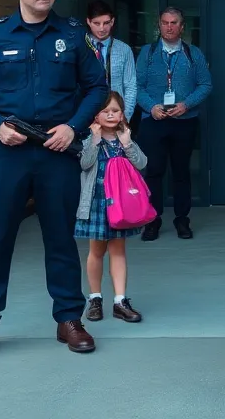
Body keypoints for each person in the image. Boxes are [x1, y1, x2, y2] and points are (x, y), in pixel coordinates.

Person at [0, 0, 108, 362]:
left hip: (57, 152)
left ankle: (68, 319)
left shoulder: (74, 36)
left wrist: (73, 127)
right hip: (8, 152)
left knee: (60, 238)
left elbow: (97, 87)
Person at [134, 6, 212, 241]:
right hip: (154, 121)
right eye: (165, 22)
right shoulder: (147, 53)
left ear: (182, 26)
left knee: (181, 173)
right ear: (158, 25)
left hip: (184, 121)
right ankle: (152, 221)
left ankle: (182, 220)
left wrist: (186, 104)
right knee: (153, 172)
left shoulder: (193, 54)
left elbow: (206, 85)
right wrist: (151, 107)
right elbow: (136, 86)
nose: (169, 27)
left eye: (174, 22)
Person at [75, 91, 148, 324]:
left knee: (118, 251)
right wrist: (94, 141)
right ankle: (95, 299)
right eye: (105, 111)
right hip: (97, 202)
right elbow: (84, 163)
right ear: (95, 115)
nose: (110, 114)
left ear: (122, 114)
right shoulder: (88, 139)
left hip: (121, 205)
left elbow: (142, 163)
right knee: (96, 251)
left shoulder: (125, 137)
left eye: (115, 110)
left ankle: (120, 301)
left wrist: (128, 144)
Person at [84, 0, 137, 120]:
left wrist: (125, 116)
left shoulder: (124, 49)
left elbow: (130, 86)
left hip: (116, 115)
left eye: (106, 23)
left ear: (112, 22)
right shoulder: (80, 47)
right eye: (96, 23)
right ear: (88, 21)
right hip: (86, 114)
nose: (102, 28)